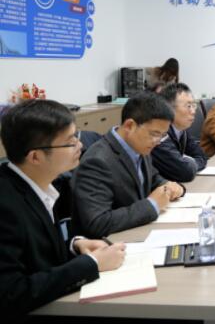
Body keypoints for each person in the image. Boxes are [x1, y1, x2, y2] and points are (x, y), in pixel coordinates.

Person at [0, 100, 125, 319]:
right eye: (70, 142)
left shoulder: (44, 184)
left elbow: (34, 250)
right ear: (35, 156)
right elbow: (11, 294)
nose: (80, 145)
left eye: (77, 137)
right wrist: (92, 263)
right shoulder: (5, 206)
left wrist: (75, 246)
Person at [72, 92, 186, 238]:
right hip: (111, 244)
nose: (157, 141)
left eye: (162, 135)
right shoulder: (97, 161)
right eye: (154, 134)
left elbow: (153, 179)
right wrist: (152, 205)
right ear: (129, 125)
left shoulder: (139, 146)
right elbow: (98, 223)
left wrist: (170, 186)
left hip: (138, 232)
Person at [152, 83, 207, 182]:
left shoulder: (181, 130)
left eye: (194, 105)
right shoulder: (159, 133)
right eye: (188, 106)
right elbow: (185, 172)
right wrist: (187, 162)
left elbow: (202, 156)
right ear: (169, 109)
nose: (193, 111)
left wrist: (186, 161)